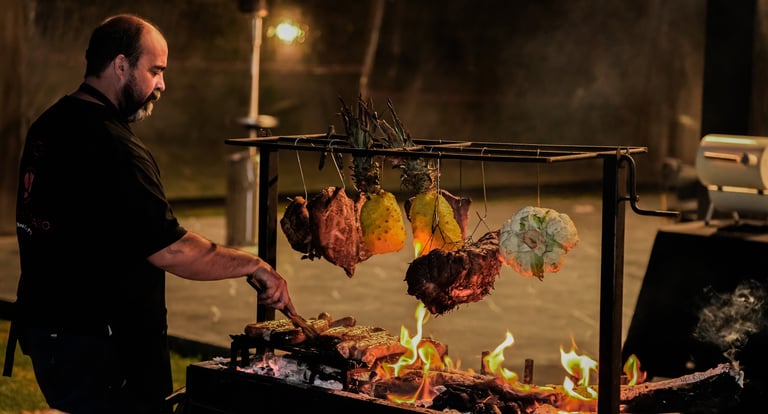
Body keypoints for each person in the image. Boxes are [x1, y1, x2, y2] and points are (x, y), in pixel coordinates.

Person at [11, 13, 297, 414]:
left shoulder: (49, 123)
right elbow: (172, 250)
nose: (162, 84)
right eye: (156, 70)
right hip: (99, 348)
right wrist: (254, 265)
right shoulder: (114, 147)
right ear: (121, 65)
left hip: (50, 335)